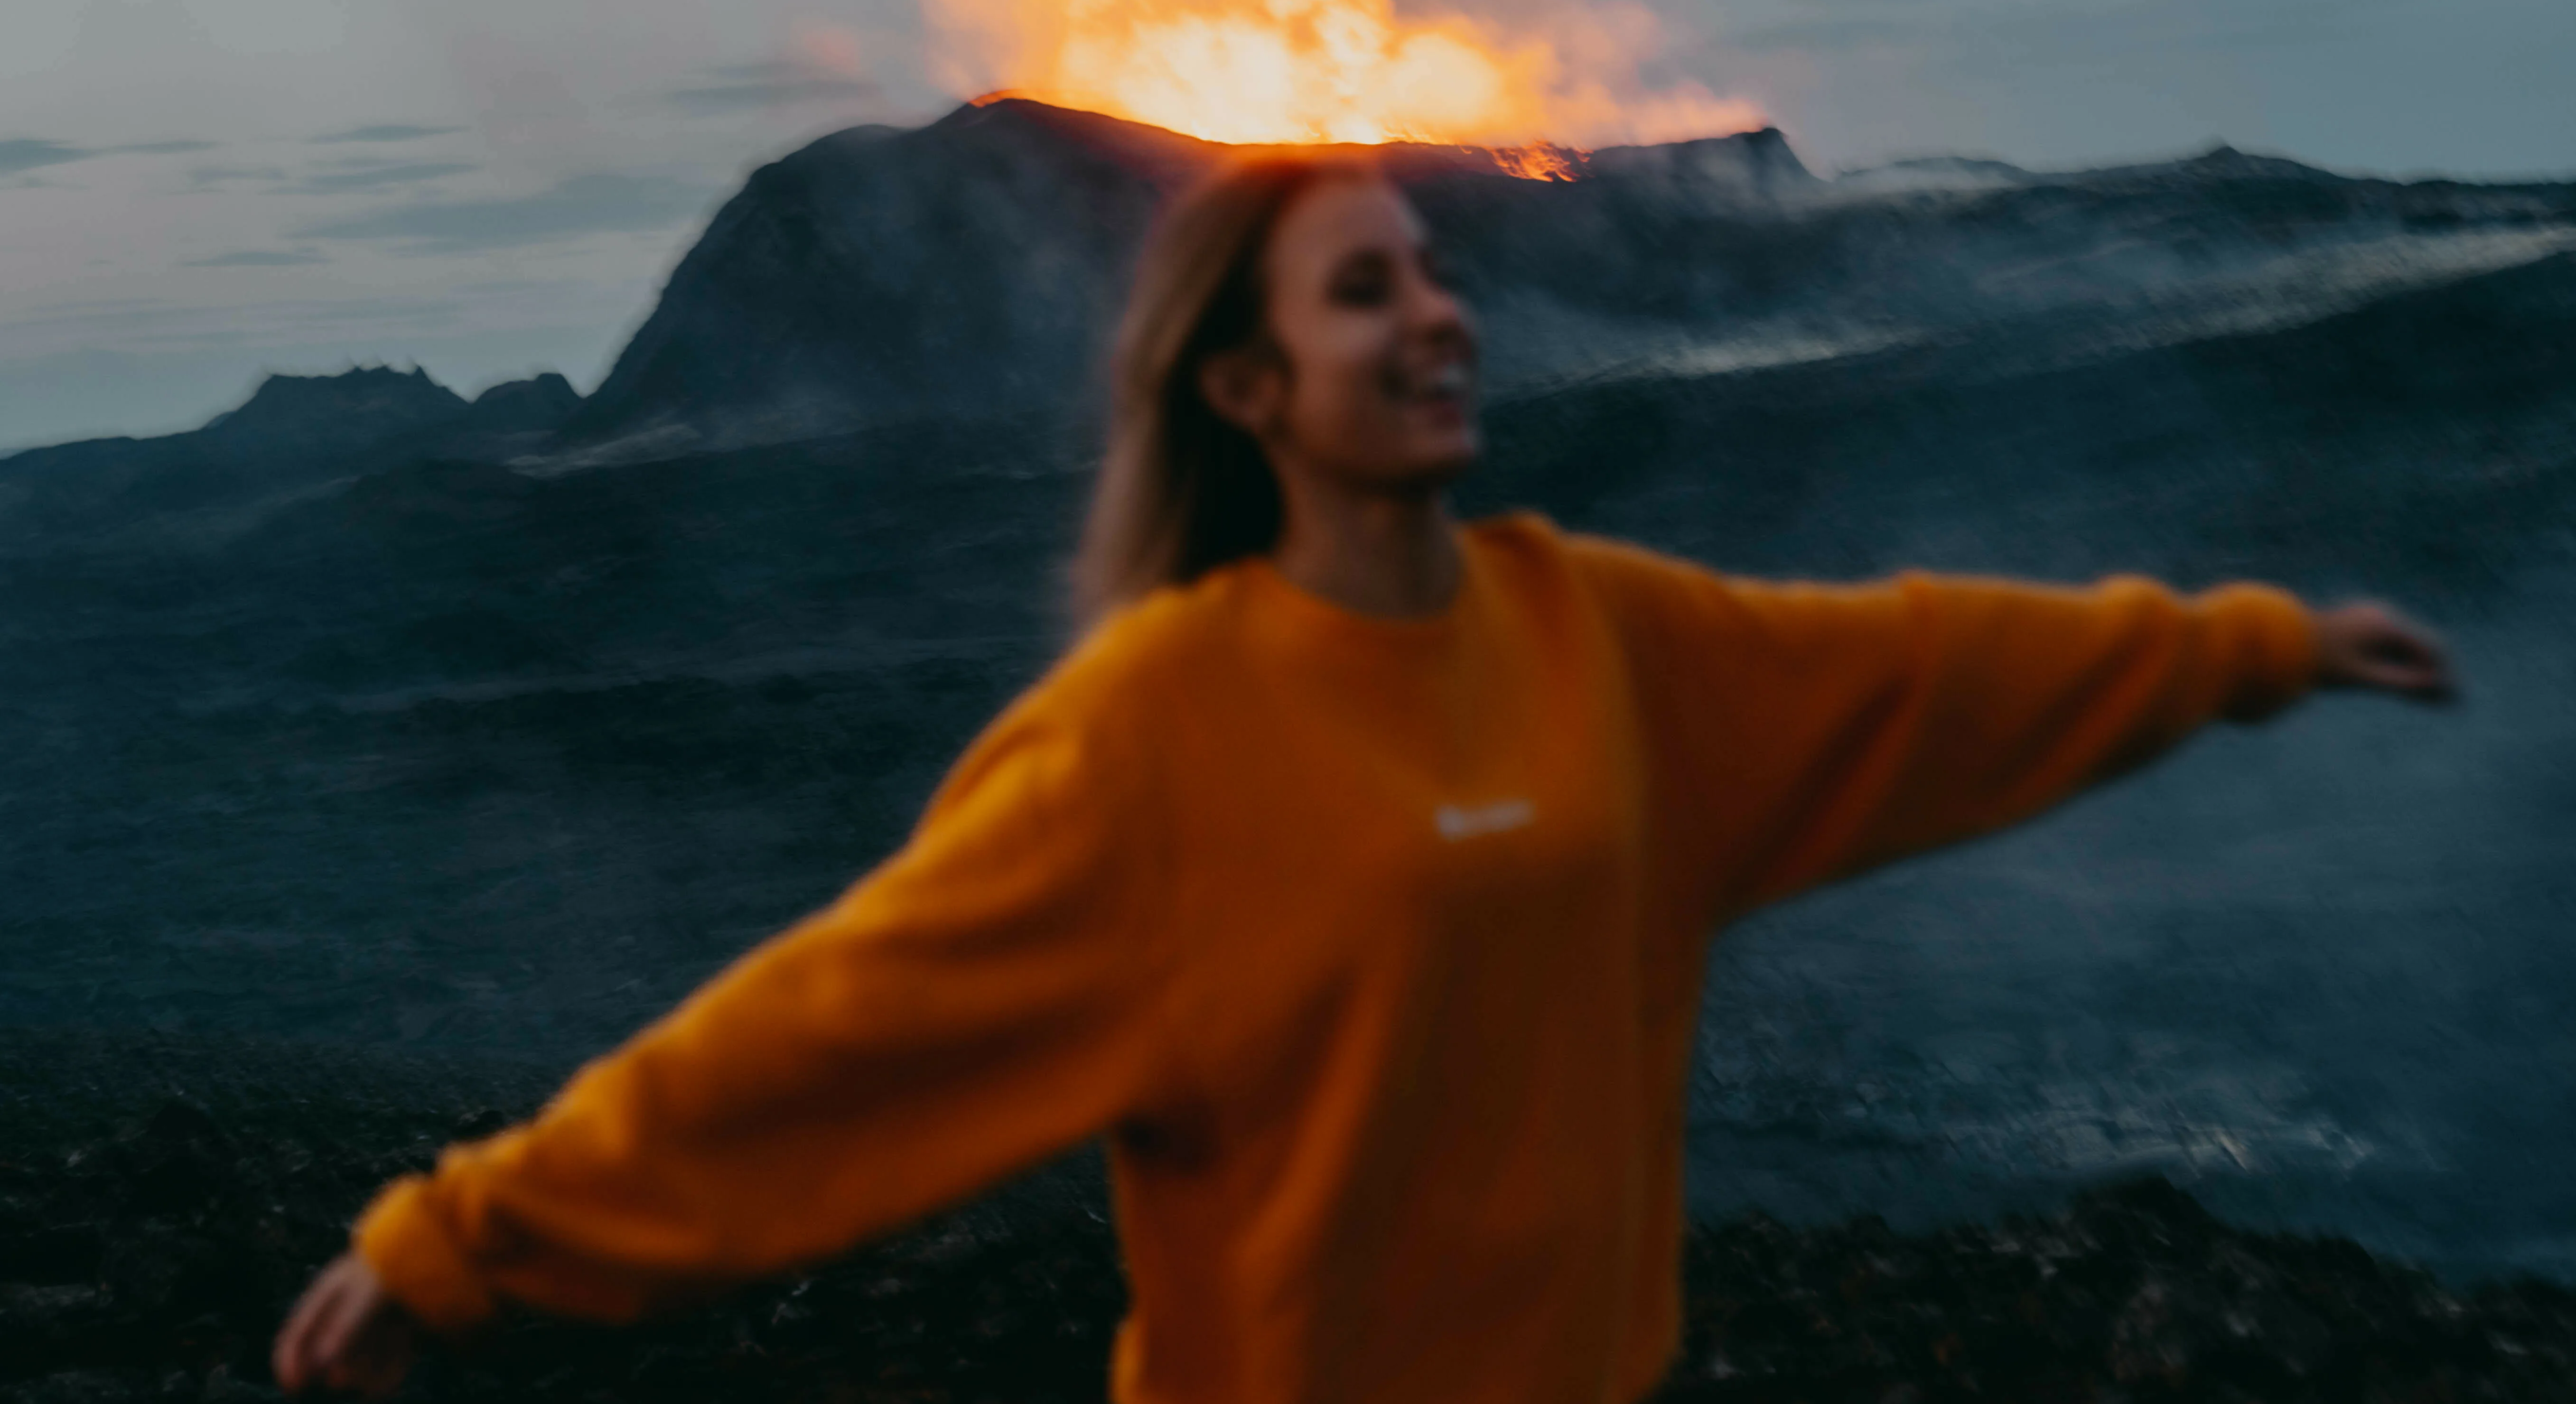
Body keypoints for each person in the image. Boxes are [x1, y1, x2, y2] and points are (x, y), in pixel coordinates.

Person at [276, 156, 2455, 1401]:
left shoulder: (1599, 636)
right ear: (1246, 384)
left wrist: (2242, 649)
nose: (1440, 316)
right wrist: (462, 1238)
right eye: (1363, 291)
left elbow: (1918, 671)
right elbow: (835, 1037)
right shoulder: (1158, 738)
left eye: (1435, 271)